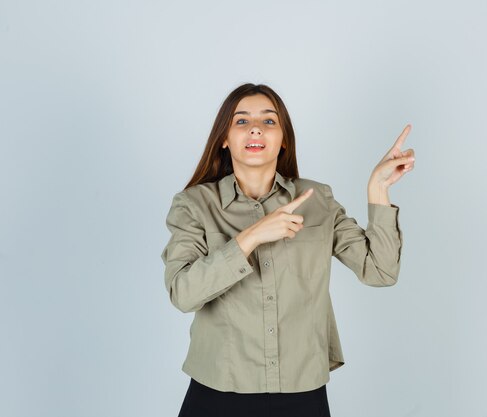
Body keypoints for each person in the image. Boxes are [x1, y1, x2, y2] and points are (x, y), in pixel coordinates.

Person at [160, 83, 415, 417]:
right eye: (241, 121)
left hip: (302, 394)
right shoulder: (193, 205)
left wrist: (378, 189)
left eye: (269, 121)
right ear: (224, 138)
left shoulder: (317, 201)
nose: (255, 128)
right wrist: (250, 237)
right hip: (218, 392)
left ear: (283, 140)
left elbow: (380, 271)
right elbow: (183, 293)